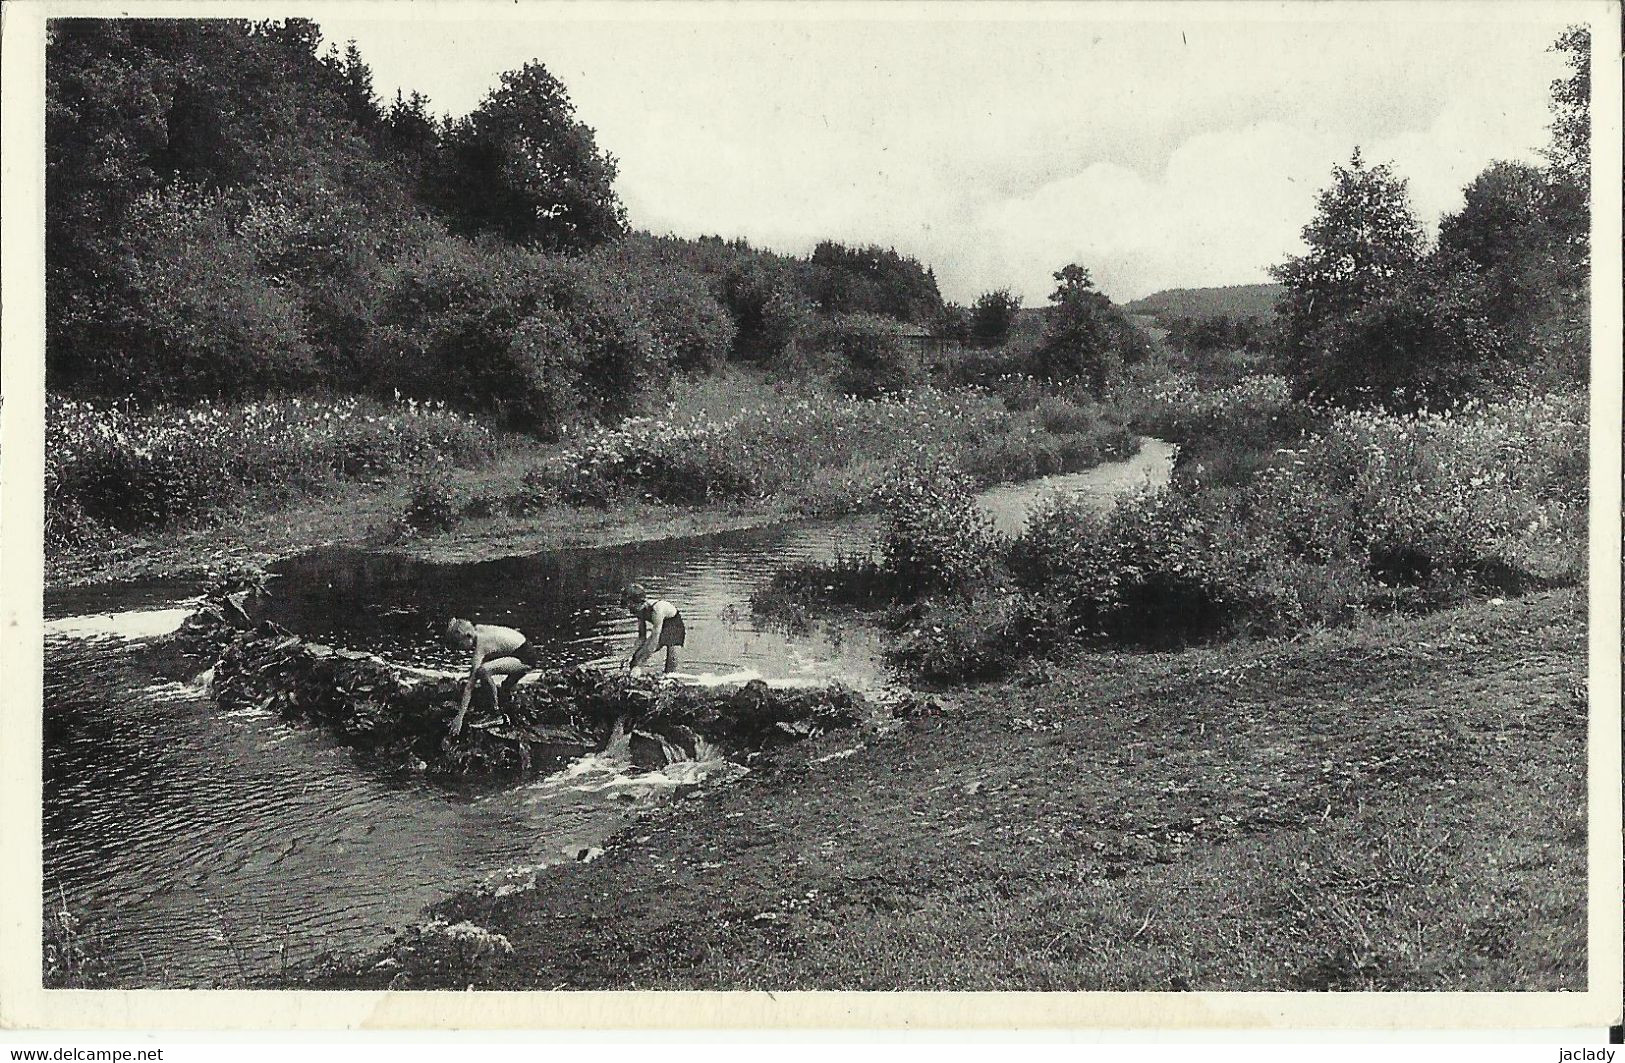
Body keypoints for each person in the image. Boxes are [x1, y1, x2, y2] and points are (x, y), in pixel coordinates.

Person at [441, 617, 545, 740]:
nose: (460, 649)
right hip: (521, 650)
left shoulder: (481, 645)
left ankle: (495, 715)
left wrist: (460, 717)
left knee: (483, 671)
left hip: (525, 659)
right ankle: (505, 709)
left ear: (468, 636)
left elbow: (470, 686)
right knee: (502, 686)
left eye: (459, 644)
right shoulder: (478, 629)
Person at [622, 584, 685, 675]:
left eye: (632, 607)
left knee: (670, 670)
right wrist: (629, 655)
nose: (631, 611)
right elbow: (641, 638)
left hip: (675, 629)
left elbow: (654, 641)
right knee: (635, 659)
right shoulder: (639, 611)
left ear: (641, 603)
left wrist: (643, 660)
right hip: (661, 629)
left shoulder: (657, 610)